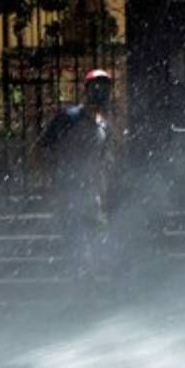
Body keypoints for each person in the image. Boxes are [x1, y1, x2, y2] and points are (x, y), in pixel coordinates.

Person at [34, 69, 115, 284]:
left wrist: (101, 189)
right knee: (75, 238)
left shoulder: (104, 126)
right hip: (68, 188)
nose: (101, 93)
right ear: (86, 91)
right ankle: (78, 283)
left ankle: (87, 283)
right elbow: (41, 149)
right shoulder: (68, 118)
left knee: (95, 236)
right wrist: (50, 184)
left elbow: (101, 161)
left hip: (90, 192)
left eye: (105, 88)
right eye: (96, 87)